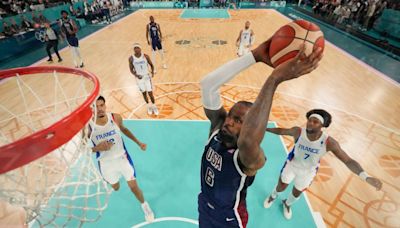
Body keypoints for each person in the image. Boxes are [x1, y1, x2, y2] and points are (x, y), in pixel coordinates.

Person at [198, 38, 323, 227]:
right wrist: (253, 56)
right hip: (204, 208)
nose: (229, 122)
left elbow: (248, 141)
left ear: (250, 126)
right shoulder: (217, 130)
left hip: (229, 219)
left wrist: (274, 79)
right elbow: (207, 85)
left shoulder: (249, 158)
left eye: (238, 120)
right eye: (231, 116)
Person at [263, 109, 383, 219]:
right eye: (310, 120)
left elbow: (348, 161)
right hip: (292, 165)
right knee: (281, 186)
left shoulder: (328, 142)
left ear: (322, 126)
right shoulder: (298, 131)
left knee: (297, 191)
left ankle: (287, 203)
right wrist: (264, 128)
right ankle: (273, 196)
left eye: (315, 122)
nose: (310, 123)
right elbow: (281, 131)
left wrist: (365, 176)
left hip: (308, 172)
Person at [89, 96, 155, 222]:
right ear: (92, 109)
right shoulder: (88, 127)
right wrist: (97, 148)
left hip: (122, 159)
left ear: (105, 105)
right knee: (116, 187)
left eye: (101, 105)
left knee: (134, 187)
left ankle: (145, 206)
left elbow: (124, 129)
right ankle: (114, 181)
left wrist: (138, 142)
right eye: (96, 107)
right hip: (106, 164)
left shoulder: (115, 118)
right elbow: (83, 148)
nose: (100, 109)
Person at [128, 43, 159, 116]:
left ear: (140, 49)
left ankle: (154, 106)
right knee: (144, 93)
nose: (136, 49)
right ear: (133, 49)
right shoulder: (131, 58)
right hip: (139, 79)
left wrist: (152, 72)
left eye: (137, 48)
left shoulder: (145, 56)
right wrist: (136, 75)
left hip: (147, 77)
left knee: (150, 93)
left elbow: (151, 65)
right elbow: (131, 70)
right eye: (135, 48)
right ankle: (148, 107)